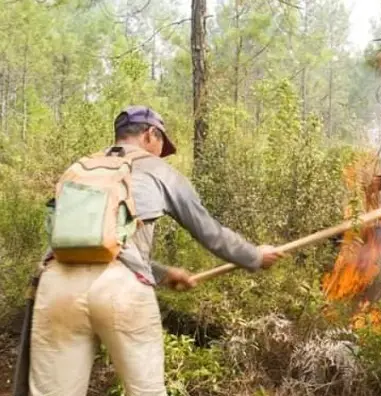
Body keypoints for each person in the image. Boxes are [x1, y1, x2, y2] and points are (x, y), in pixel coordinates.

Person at [27, 105, 285, 396]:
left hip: (56, 285)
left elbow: (96, 246)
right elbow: (210, 233)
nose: (162, 154)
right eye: (162, 144)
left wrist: (163, 274)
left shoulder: (80, 169)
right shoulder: (159, 170)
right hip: (121, 290)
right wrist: (255, 256)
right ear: (151, 134)